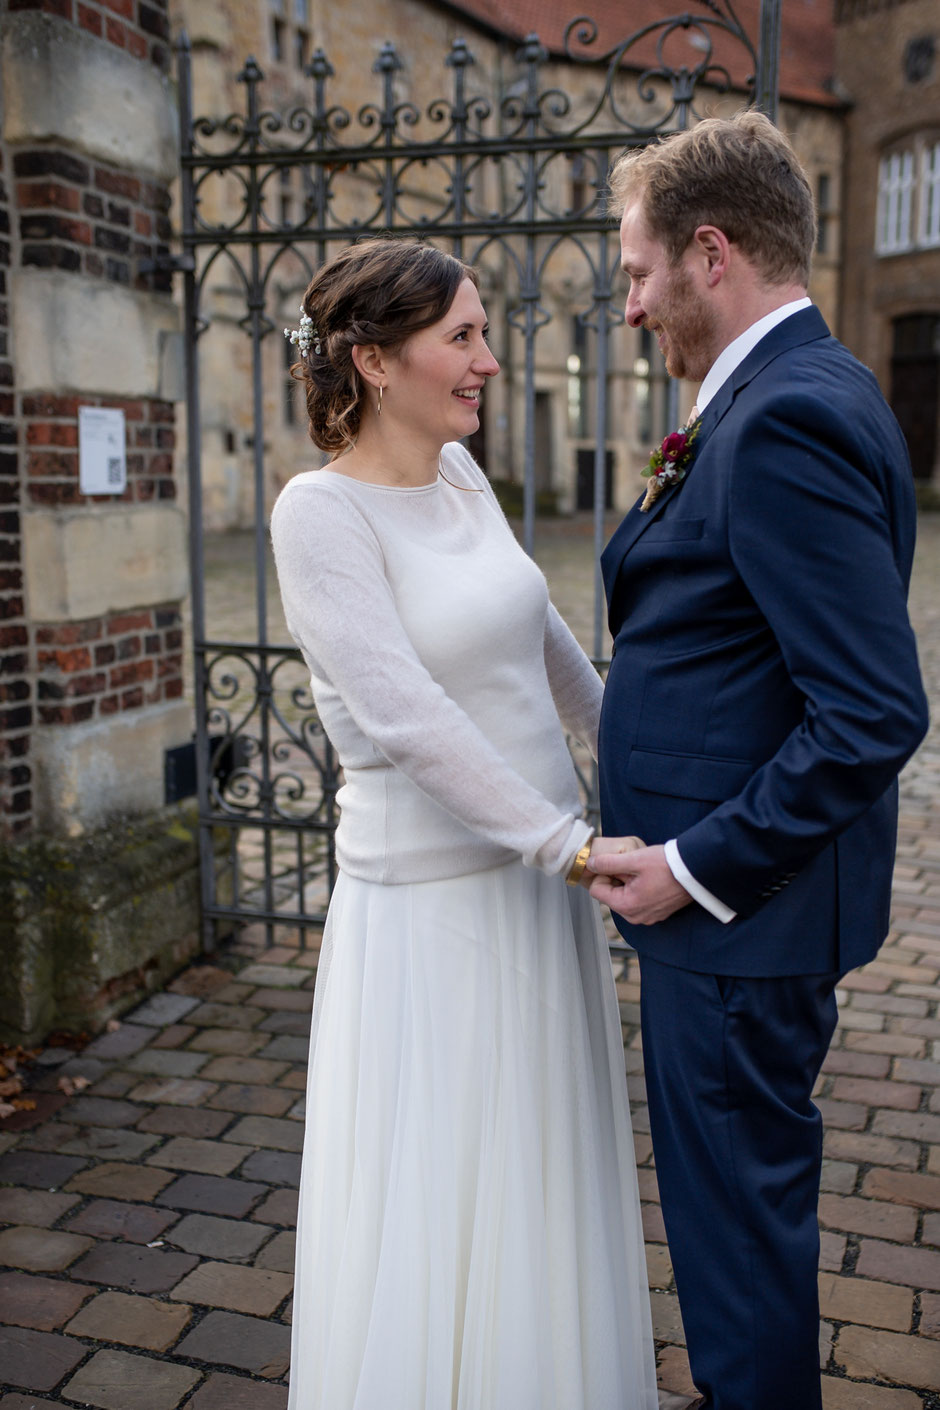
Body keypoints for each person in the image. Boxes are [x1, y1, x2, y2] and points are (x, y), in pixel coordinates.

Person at [270, 237, 657, 1410]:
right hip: (436, 912)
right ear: (376, 362)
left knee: (539, 1177)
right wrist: (572, 847)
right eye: (463, 338)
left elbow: (547, 659)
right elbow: (407, 718)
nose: (490, 360)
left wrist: (639, 778)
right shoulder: (318, 514)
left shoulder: (460, 477)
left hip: (538, 894)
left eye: (484, 332)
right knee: (443, 1190)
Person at [588, 111, 929, 1410]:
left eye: (635, 272)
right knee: (737, 1222)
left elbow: (871, 708)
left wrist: (693, 864)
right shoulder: (780, 395)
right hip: (740, 923)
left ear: (710, 254)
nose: (629, 307)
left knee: (736, 1238)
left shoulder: (785, 417)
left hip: (741, 920)